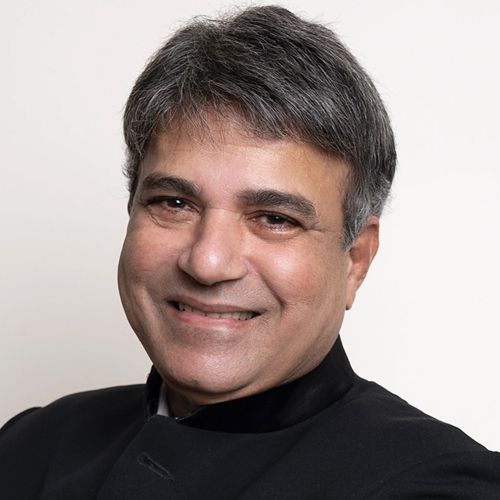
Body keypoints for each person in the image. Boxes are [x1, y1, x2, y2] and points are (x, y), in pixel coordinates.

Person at [1, 5, 499, 499]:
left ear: (356, 260)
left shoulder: (439, 485)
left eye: (275, 219)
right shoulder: (32, 445)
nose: (207, 263)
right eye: (174, 203)